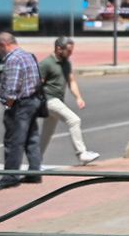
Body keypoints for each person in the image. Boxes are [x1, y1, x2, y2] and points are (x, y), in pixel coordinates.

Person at [0, 32, 44, 190]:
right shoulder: (28, 56)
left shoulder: (13, 59)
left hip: (20, 105)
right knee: (31, 139)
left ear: (4, 45)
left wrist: (8, 105)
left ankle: (10, 176)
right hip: (33, 101)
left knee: (14, 141)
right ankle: (35, 172)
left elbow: (12, 88)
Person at [38, 37, 102, 165]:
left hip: (57, 100)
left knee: (47, 134)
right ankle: (82, 153)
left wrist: (78, 97)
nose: (70, 54)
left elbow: (71, 81)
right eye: (68, 51)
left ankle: (35, 161)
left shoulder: (66, 63)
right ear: (58, 49)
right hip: (48, 100)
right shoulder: (46, 64)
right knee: (74, 120)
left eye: (72, 51)